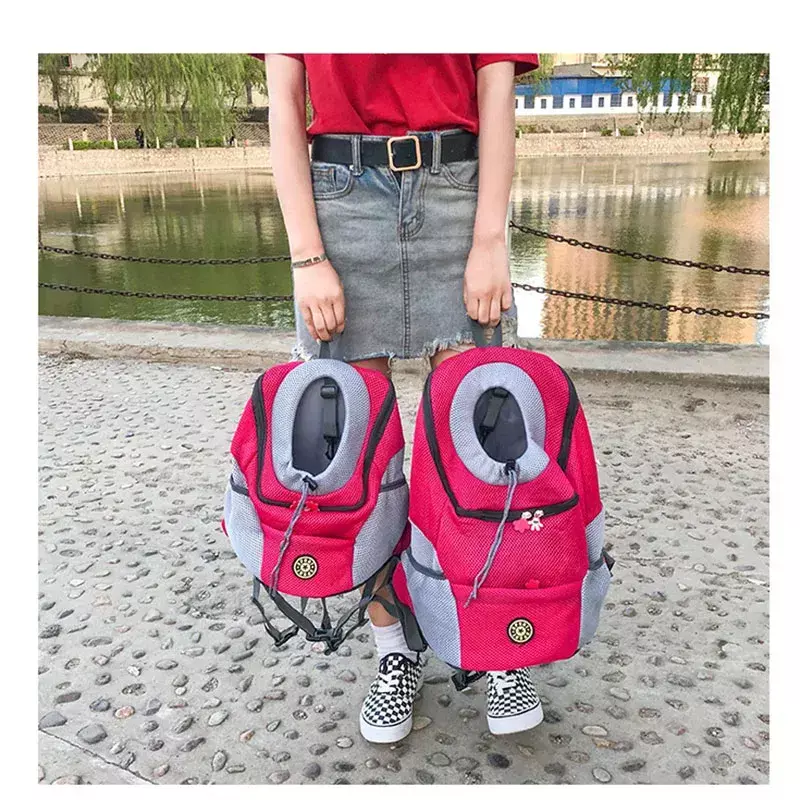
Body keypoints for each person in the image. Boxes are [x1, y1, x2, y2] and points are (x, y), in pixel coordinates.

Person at [264, 53, 541, 744]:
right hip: (339, 204)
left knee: (486, 452)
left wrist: (490, 238)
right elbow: (284, 103)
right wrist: (306, 256)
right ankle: (396, 648)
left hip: (457, 195)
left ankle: (495, 638)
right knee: (356, 467)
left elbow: (496, 87)